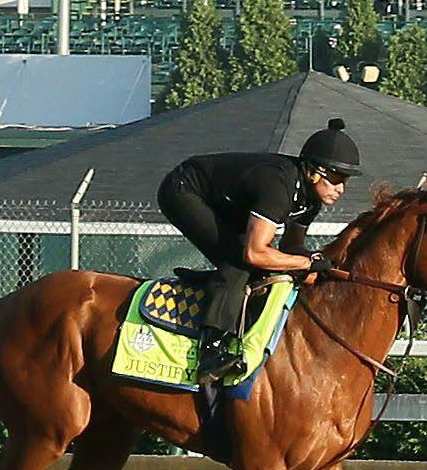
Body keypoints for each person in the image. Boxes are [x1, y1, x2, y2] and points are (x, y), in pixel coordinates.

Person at [154, 119, 361, 388]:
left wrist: (316, 270)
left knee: (267, 264)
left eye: (345, 180)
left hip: (223, 201)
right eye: (337, 178)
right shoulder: (279, 186)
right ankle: (211, 351)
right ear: (315, 172)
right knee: (239, 263)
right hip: (184, 190)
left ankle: (217, 291)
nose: (341, 188)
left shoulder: (310, 201)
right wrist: (305, 262)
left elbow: (291, 250)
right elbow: (254, 253)